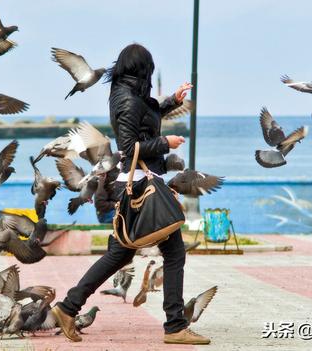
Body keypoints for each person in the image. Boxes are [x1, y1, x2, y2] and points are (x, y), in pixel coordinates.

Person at [50, 43, 210, 345]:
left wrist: (170, 102)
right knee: (173, 253)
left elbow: (143, 119)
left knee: (120, 254)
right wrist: (166, 143)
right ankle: (175, 326)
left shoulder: (128, 93)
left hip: (137, 181)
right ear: (143, 69)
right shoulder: (129, 99)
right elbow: (129, 146)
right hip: (141, 184)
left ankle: (68, 308)